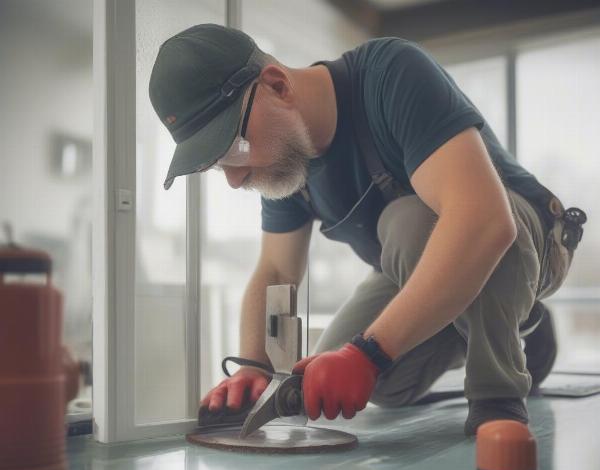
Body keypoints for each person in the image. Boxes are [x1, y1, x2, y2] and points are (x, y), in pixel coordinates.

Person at [149, 24, 585, 436]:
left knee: (407, 221)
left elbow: (482, 218)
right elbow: (277, 272)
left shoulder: (389, 73)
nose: (235, 178)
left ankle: (499, 388)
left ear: (278, 85)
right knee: (339, 378)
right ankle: (520, 320)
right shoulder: (288, 161)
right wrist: (253, 366)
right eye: (218, 163)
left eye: (235, 147)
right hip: (416, 260)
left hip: (531, 236)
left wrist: (369, 352)